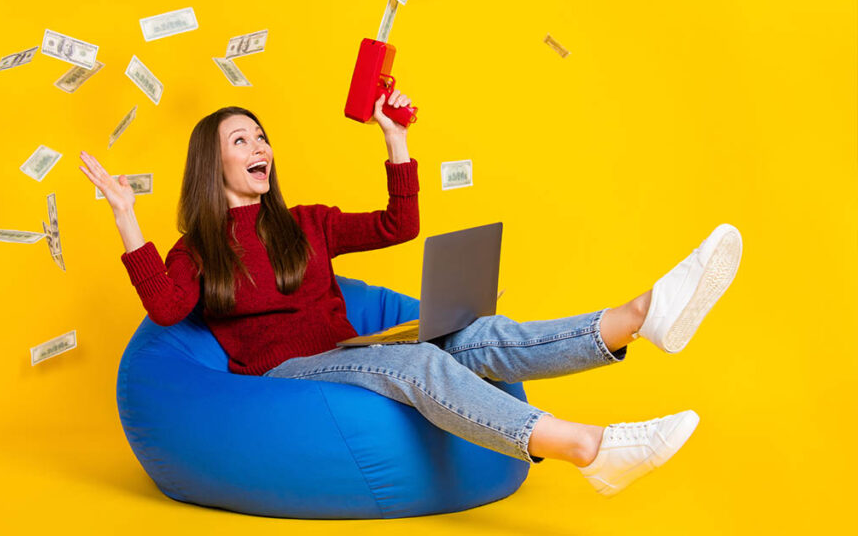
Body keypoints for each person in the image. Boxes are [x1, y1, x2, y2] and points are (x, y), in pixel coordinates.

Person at [78, 90, 743, 497]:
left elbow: (402, 225)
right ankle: (588, 449)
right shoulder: (196, 250)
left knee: (473, 334)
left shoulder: (307, 223)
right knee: (423, 362)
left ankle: (640, 316)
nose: (262, 147)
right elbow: (167, 309)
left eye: (262, 135)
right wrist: (127, 220)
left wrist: (395, 141)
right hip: (283, 375)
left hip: (349, 349)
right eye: (241, 139)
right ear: (211, 161)